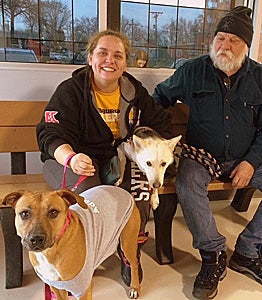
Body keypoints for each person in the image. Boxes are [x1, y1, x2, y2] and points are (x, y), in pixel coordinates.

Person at [37, 29, 175, 287]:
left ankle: (128, 250)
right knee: (90, 198)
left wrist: (152, 147)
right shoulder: (70, 91)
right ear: (90, 58)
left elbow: (161, 124)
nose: (109, 60)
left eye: (118, 55)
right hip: (69, 160)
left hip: (117, 158)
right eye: (102, 53)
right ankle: (80, 252)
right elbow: (51, 133)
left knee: (140, 191)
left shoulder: (135, 91)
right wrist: (71, 157)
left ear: (125, 62)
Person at [152, 6, 262, 300]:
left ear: (246, 45)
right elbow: (158, 99)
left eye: (233, 40)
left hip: (246, 157)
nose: (225, 45)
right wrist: (162, 141)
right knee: (187, 183)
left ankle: (248, 251)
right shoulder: (192, 70)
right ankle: (213, 256)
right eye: (220, 38)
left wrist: (251, 162)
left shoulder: (260, 78)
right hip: (201, 155)